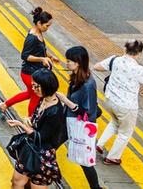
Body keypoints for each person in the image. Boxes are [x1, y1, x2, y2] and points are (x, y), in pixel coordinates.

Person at [94, 40, 143, 166]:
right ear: (139, 53)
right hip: (127, 106)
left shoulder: (115, 60)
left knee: (114, 122)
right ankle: (112, 157)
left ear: (125, 49)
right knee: (125, 133)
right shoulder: (138, 69)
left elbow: (97, 67)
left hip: (109, 100)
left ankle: (99, 144)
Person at [7, 68, 69, 189]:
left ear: (47, 86)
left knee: (36, 186)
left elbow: (40, 137)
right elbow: (36, 118)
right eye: (33, 86)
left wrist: (21, 125)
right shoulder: (43, 98)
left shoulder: (55, 111)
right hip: (29, 148)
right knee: (16, 182)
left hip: (42, 155)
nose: (34, 90)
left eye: (36, 87)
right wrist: (30, 120)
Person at [0, 7, 59, 117]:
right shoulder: (32, 37)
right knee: (36, 96)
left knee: (29, 94)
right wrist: (42, 59)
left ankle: (4, 105)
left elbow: (41, 49)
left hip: (34, 71)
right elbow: (25, 55)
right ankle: (30, 121)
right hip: (29, 73)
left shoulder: (39, 33)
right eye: (47, 26)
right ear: (39, 23)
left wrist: (50, 56)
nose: (48, 28)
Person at [56, 46, 101, 189]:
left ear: (78, 62)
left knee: (84, 160)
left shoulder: (88, 85)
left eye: (69, 61)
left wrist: (66, 101)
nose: (66, 63)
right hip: (68, 121)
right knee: (49, 147)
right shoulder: (76, 77)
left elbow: (87, 112)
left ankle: (96, 187)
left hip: (78, 125)